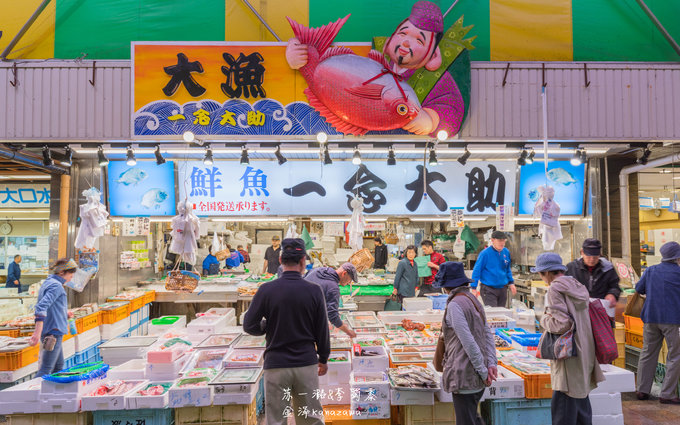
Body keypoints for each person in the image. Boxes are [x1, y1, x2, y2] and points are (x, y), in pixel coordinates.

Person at [285, 1, 465, 137]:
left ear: (434, 56)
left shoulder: (439, 78)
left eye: (419, 40)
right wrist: (298, 51)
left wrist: (432, 120)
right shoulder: (379, 63)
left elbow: (453, 106)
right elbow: (342, 71)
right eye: (402, 33)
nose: (405, 42)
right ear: (389, 41)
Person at [244, 238, 329, 425]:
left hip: (276, 365)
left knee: (276, 420)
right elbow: (322, 329)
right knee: (311, 419)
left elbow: (249, 324)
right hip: (306, 365)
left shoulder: (266, 290)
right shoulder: (314, 291)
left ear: (281, 260)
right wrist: (323, 358)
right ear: (303, 262)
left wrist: (267, 326)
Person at [535, 252, 604, 425]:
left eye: (540, 273)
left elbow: (561, 325)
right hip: (585, 352)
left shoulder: (554, 289)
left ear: (547, 273)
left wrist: (542, 318)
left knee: (563, 410)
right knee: (582, 409)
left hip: (568, 357)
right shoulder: (577, 285)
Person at [436, 261, 497, 425]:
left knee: (466, 420)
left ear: (446, 287)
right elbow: (487, 333)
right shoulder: (473, 299)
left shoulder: (455, 305)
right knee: (473, 417)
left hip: (465, 375)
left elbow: (468, 342)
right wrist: (491, 364)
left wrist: (484, 371)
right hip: (476, 377)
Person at [635, 241, 680, 404]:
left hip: (651, 318)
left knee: (647, 353)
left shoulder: (651, 270)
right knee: (675, 356)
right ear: (677, 257)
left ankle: (642, 390)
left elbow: (639, 289)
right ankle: (667, 394)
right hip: (672, 320)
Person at [29, 258, 77, 377]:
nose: (71, 278)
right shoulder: (56, 286)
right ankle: (33, 393)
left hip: (53, 330)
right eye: (70, 274)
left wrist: (63, 313)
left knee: (58, 366)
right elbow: (41, 307)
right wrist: (36, 333)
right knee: (46, 369)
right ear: (62, 273)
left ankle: (54, 393)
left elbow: (50, 306)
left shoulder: (49, 282)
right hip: (53, 333)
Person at [305, 263, 359, 338]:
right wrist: (349, 332)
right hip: (306, 321)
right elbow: (333, 316)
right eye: (350, 280)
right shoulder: (333, 288)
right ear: (344, 273)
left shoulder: (318, 270)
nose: (349, 283)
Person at [566, 238, 621, 309]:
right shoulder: (571, 268)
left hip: (601, 309)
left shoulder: (608, 268)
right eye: (588, 256)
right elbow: (564, 288)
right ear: (582, 252)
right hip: (577, 309)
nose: (592, 260)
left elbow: (615, 286)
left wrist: (612, 294)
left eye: (595, 257)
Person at [470, 231, 515, 308]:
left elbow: (507, 268)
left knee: (501, 313)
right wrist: (473, 287)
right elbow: (477, 271)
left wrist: (511, 283)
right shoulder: (485, 254)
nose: (502, 243)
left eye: (504, 241)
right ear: (492, 240)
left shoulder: (506, 252)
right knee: (493, 313)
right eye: (500, 241)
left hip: (502, 288)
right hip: (488, 289)